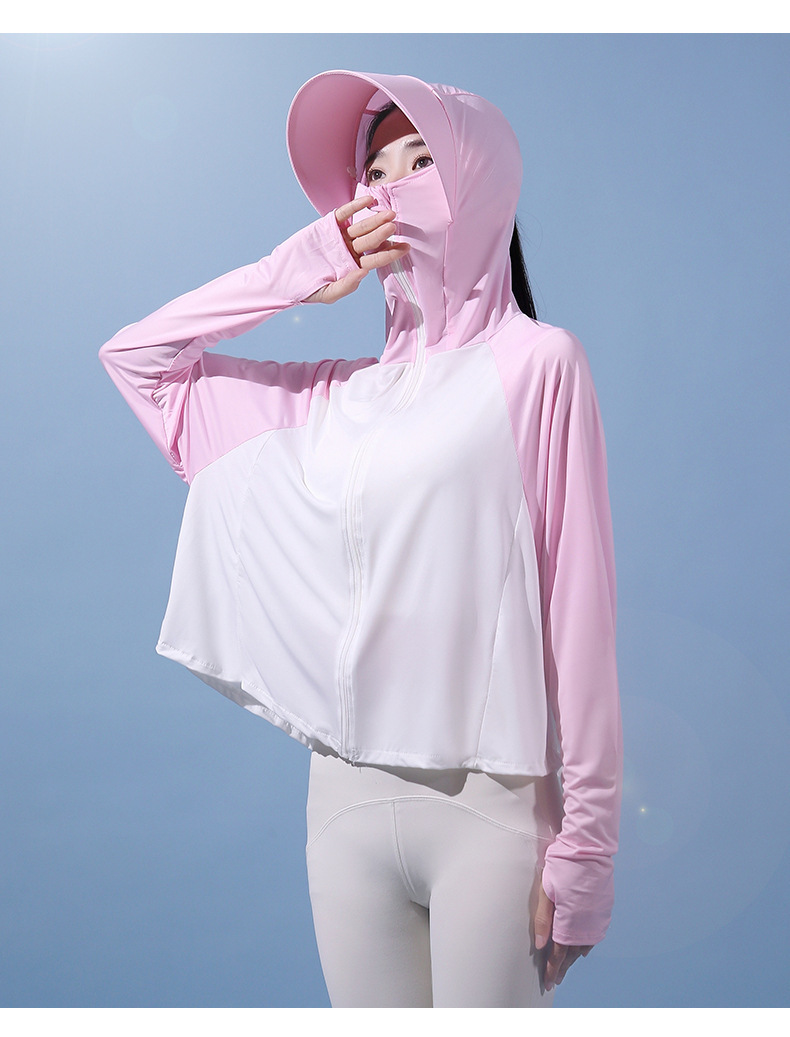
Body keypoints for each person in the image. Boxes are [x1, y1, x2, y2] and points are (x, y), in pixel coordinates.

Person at [99, 70, 622, 1008]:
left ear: (480, 180)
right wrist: (301, 267)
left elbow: (577, 613)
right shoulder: (326, 398)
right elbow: (138, 359)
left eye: (419, 162)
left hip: (491, 808)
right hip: (342, 809)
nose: (387, 192)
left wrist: (586, 847)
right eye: (371, 176)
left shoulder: (538, 365)